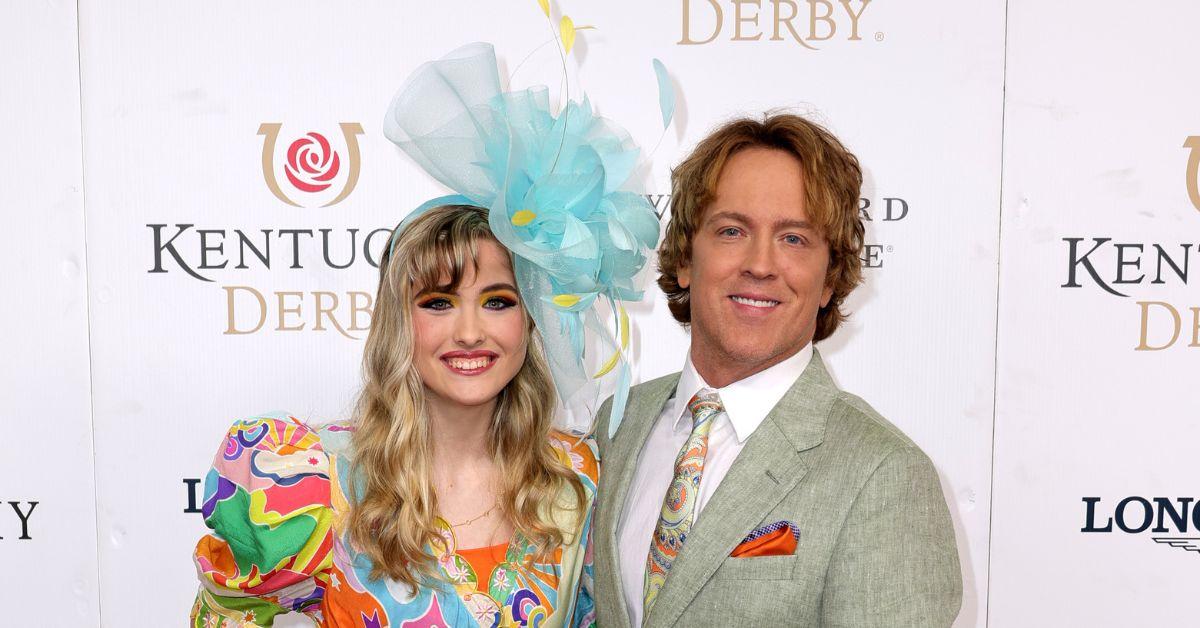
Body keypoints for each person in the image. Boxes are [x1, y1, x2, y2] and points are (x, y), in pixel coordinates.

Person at [191, 42, 659, 627]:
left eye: (497, 301)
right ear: (398, 319)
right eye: (438, 302)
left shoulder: (577, 481)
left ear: (531, 317)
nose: (470, 331)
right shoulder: (314, 481)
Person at [592, 114, 963, 626]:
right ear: (683, 257)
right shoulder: (617, 424)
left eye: (793, 239)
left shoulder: (884, 475)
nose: (761, 264)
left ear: (829, 278)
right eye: (731, 230)